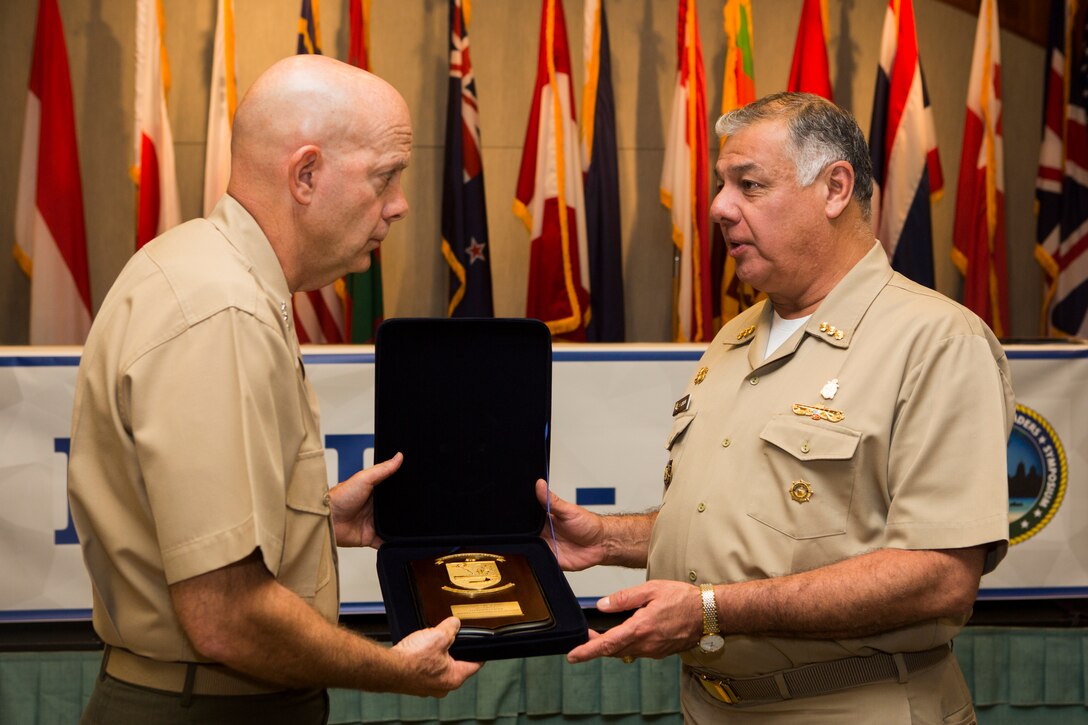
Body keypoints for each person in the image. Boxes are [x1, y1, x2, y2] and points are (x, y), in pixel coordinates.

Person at [537, 92, 1014, 723]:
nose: (717, 208)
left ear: (835, 188)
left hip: (854, 706)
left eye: (749, 184)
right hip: (710, 707)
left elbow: (939, 576)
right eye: (720, 185)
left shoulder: (935, 341)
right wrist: (606, 539)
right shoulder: (734, 340)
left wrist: (710, 610)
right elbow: (752, 526)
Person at [68, 55, 480, 724]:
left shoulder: (207, 272)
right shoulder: (222, 308)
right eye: (384, 177)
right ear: (306, 174)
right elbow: (225, 615)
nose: (400, 204)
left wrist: (310, 519)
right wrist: (394, 669)